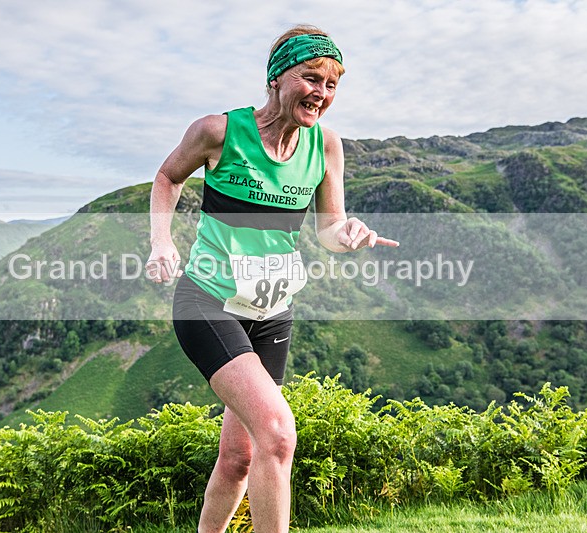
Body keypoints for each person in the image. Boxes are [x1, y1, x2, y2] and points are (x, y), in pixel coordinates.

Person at [146, 25, 398, 533]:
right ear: (277, 78)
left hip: (272, 309)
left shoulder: (326, 145)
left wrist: (346, 235)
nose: (322, 94)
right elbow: (168, 177)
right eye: (311, 78)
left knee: (240, 456)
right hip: (209, 302)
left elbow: (328, 228)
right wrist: (162, 241)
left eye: (332, 85)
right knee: (279, 434)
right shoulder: (217, 131)